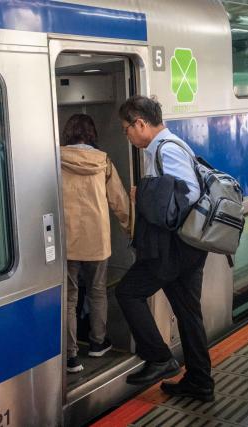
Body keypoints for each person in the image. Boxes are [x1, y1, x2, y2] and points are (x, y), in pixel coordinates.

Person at [115, 96, 214, 401]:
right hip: (189, 247)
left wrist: (141, 194)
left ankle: (159, 358)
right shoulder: (172, 145)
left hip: (174, 249)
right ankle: (199, 382)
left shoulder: (165, 149)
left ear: (140, 123)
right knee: (188, 314)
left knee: (128, 292)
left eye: (126, 129)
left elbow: (189, 192)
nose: (127, 135)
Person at [60, 114, 130, 373]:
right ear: (91, 134)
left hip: (67, 240)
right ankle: (98, 343)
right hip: (97, 241)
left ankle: (70, 357)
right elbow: (119, 201)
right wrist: (132, 230)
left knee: (69, 297)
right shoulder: (103, 162)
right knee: (97, 291)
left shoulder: (56, 160)